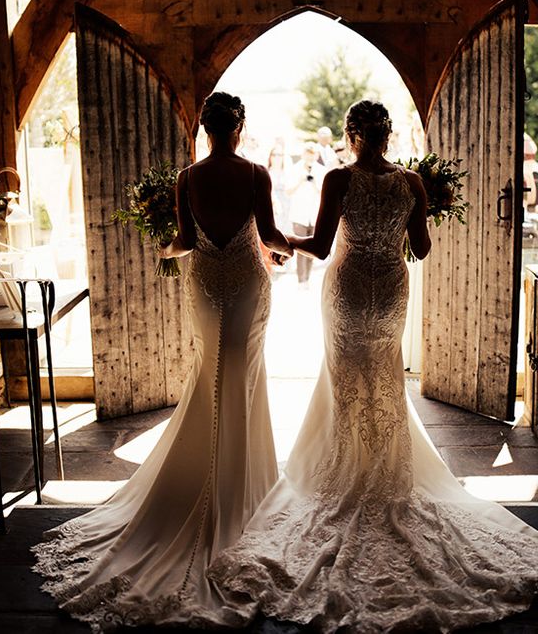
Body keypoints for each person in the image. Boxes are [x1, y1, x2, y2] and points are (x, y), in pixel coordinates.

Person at [209, 100, 538, 632]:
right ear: (385, 136)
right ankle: (383, 473)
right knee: (386, 380)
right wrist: (418, 212)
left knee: (348, 383)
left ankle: (349, 472)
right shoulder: (411, 182)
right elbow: (423, 249)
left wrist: (272, 243)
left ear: (352, 135)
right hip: (389, 291)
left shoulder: (339, 179)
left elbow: (318, 245)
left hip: (345, 290)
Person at [31, 91, 293, 631]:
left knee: (211, 374)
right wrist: (287, 248)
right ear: (238, 129)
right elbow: (268, 237)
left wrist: (162, 248)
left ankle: (209, 477)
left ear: (205, 129)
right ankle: (242, 488)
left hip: (205, 286)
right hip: (246, 283)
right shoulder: (256, 175)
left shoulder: (186, 178)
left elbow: (181, 242)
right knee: (239, 377)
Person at [286, 142, 324, 288]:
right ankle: (301, 279)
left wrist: (314, 183)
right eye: (307, 153)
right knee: (301, 248)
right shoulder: (295, 169)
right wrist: (300, 180)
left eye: (312, 154)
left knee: (313, 248)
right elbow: (288, 191)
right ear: (303, 154)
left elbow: (324, 194)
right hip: (299, 215)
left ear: (316, 155)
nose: (310, 157)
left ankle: (307, 277)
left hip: (314, 215)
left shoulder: (321, 170)